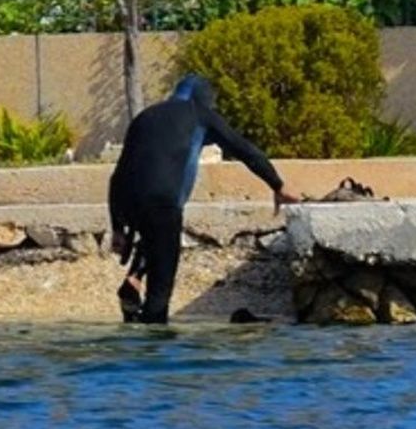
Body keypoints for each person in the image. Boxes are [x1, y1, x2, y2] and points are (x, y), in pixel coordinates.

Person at [108, 75, 301, 325]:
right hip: (164, 204)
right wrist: (277, 184)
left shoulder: (144, 117)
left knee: (153, 239)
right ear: (204, 98)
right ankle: (154, 350)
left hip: (131, 204)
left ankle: (133, 283)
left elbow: (118, 176)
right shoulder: (199, 114)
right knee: (159, 295)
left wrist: (117, 228)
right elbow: (244, 150)